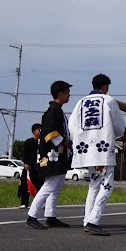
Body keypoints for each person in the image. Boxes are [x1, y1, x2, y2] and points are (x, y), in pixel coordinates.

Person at [68, 74, 126, 236]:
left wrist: (80, 140)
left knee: (94, 185)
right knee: (107, 185)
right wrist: (121, 133)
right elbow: (119, 127)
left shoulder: (80, 103)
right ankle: (93, 220)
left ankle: (87, 218)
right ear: (105, 87)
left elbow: (72, 127)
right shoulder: (109, 101)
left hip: (86, 150)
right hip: (103, 150)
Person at [26, 81, 73, 230]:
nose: (69, 95)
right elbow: (49, 133)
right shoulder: (53, 111)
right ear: (60, 94)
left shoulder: (56, 110)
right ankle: (32, 216)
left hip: (58, 155)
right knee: (49, 185)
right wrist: (64, 142)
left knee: (57, 185)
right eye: (67, 92)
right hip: (52, 155)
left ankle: (51, 216)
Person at [18, 123, 41, 208]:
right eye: (39, 130)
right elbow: (24, 153)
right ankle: (24, 203)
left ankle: (40, 202)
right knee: (25, 185)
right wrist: (25, 163)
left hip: (38, 167)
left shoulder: (42, 143)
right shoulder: (28, 142)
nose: (40, 132)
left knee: (39, 185)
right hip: (28, 167)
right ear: (34, 132)